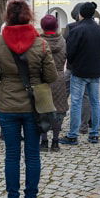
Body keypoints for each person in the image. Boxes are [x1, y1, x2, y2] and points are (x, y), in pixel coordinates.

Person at [0, 0, 57, 198]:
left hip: (8, 105)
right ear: (28, 16)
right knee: (33, 155)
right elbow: (52, 77)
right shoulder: (41, 44)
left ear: (7, 16)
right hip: (34, 106)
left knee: (12, 155)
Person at [61, 2, 100, 145]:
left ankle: (73, 134)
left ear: (81, 13)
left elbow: (70, 52)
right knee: (95, 102)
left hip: (79, 71)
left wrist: (73, 63)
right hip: (95, 70)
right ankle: (94, 134)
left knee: (76, 102)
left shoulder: (77, 30)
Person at [39, 14, 68, 152]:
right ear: (56, 26)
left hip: (42, 78)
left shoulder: (38, 41)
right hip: (59, 77)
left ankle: (44, 140)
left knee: (42, 109)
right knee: (58, 109)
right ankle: (55, 142)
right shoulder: (62, 40)